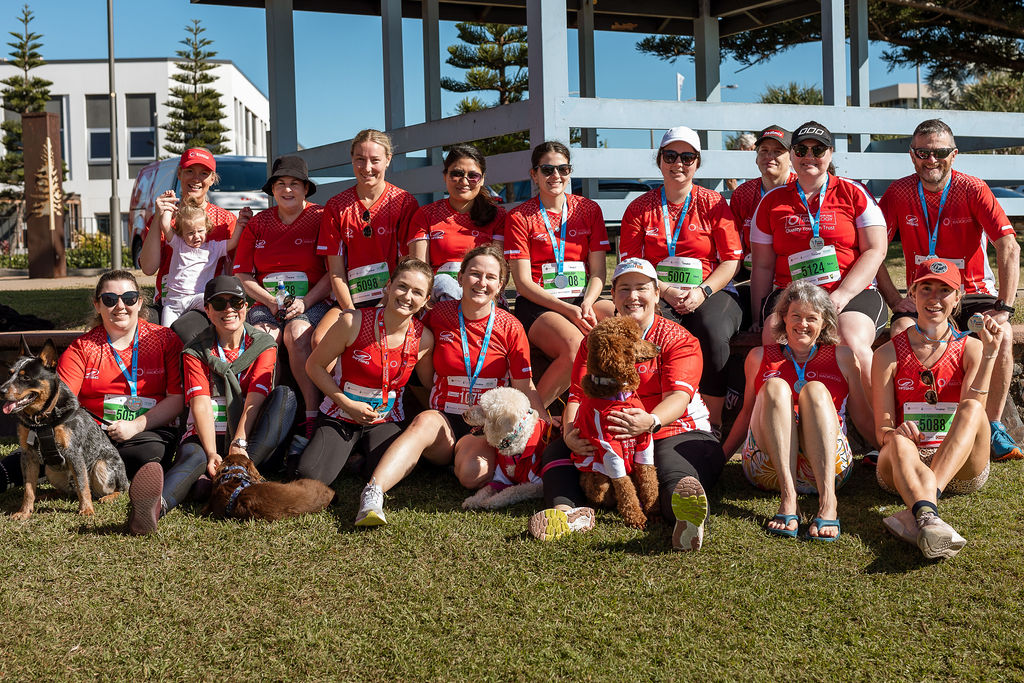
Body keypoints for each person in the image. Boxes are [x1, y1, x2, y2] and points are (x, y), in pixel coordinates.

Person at [529, 258, 723, 552]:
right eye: (624, 289)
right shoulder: (598, 340)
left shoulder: (677, 337)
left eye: (642, 288)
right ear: (614, 296)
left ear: (657, 294)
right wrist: (570, 431)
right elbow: (579, 395)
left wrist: (649, 421)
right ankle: (569, 514)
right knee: (560, 451)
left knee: (671, 470)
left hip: (673, 430)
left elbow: (679, 398)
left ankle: (685, 518)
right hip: (611, 432)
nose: (633, 296)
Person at [353, 244, 545, 527]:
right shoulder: (439, 315)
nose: (481, 282)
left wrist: (548, 434)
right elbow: (422, 369)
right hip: (442, 419)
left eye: (490, 277)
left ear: (501, 285)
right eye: (474, 274)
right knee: (424, 421)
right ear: (460, 277)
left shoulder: (510, 326)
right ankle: (372, 494)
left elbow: (524, 386)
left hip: (483, 427)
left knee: (471, 474)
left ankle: (455, 459)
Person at [876, 118, 1021, 461]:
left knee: (997, 334)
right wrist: (896, 299)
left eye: (939, 152)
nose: (931, 159)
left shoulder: (972, 188)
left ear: (953, 154)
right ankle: (896, 430)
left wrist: (1004, 306)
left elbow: (1009, 245)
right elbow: (873, 250)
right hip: (923, 294)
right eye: (922, 152)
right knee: (900, 330)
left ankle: (993, 426)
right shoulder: (898, 192)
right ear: (912, 155)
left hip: (971, 292)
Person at [722, 280, 871, 541]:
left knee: (814, 390)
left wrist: (887, 442)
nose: (803, 324)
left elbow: (860, 415)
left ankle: (828, 503)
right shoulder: (759, 357)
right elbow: (747, 414)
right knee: (775, 386)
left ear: (824, 323)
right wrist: (719, 460)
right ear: (783, 319)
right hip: (768, 469)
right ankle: (788, 498)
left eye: (811, 318)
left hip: (828, 468)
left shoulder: (843, 357)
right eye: (796, 316)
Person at [619, 126, 744, 436]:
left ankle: (711, 424)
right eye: (671, 156)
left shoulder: (714, 202)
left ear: (697, 163)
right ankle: (648, 410)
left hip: (711, 288)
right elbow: (631, 264)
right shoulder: (639, 208)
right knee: (648, 328)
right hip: (657, 291)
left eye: (687, 157)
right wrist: (664, 289)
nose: (679, 163)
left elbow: (731, 259)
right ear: (659, 160)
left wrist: (703, 291)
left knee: (713, 331)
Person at [749, 120, 888, 398]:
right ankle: (784, 417)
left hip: (849, 291)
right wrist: (757, 316)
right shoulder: (771, 202)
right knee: (774, 338)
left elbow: (876, 249)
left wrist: (843, 295)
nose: (809, 156)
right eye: (801, 150)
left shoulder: (853, 192)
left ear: (831, 154)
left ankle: (876, 426)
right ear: (792, 155)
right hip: (791, 293)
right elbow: (762, 266)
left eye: (818, 149)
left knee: (850, 339)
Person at [872, 259, 999, 559]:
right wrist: (895, 434)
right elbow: (882, 431)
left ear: (957, 299)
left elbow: (975, 413)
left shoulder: (972, 347)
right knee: (898, 440)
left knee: (970, 408)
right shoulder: (887, 353)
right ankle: (929, 513)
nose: (934, 298)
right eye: (926, 288)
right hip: (905, 466)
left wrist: (991, 355)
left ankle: (922, 508)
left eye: (944, 290)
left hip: (960, 465)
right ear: (912, 294)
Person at [52, 270, 185, 535]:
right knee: (41, 452)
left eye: (129, 297)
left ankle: (107, 478)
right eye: (110, 299)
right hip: (93, 435)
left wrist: (136, 425)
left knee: (150, 454)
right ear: (97, 305)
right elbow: (63, 402)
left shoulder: (164, 340)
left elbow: (177, 399)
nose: (120, 306)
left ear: (140, 302)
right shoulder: (83, 347)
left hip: (146, 433)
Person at [297, 258, 434, 487]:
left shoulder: (424, 339)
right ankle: (346, 452)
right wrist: (346, 404)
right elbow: (314, 366)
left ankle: (358, 459)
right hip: (341, 413)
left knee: (393, 475)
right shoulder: (353, 322)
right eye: (402, 286)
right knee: (310, 476)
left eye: (417, 292)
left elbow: (429, 384)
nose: (407, 296)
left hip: (387, 418)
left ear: (426, 300)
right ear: (389, 287)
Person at [505, 141, 613, 408]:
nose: (556, 176)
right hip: (540, 304)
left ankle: (618, 406)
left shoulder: (589, 210)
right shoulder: (519, 216)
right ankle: (531, 415)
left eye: (563, 169)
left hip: (582, 299)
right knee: (576, 346)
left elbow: (599, 272)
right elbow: (522, 283)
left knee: (626, 326)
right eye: (547, 169)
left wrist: (587, 302)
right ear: (534, 174)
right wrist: (567, 310)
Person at [233, 155, 331, 440]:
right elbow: (243, 275)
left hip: (310, 301)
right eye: (281, 184)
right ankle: (266, 416)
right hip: (267, 301)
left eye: (294, 184)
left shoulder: (321, 218)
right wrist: (270, 300)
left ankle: (311, 415)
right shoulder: (259, 223)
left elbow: (332, 272)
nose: (287, 190)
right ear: (272, 189)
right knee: (264, 337)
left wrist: (306, 301)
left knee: (298, 333)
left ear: (305, 188)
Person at [180, 275, 297, 498]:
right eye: (219, 303)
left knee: (286, 395)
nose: (229, 309)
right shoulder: (195, 350)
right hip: (212, 434)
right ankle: (158, 504)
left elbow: (256, 396)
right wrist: (212, 451)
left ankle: (237, 470)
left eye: (236, 302)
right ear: (207, 309)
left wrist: (239, 443)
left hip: (251, 442)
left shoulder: (264, 345)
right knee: (192, 464)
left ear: (246, 306)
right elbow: (201, 403)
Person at [315, 129, 419, 336]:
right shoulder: (336, 206)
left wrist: (383, 305)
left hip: (393, 299)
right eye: (360, 159)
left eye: (375, 160)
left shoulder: (404, 202)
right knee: (319, 341)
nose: (367, 168)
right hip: (350, 300)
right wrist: (351, 313)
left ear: (388, 160)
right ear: (352, 160)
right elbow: (336, 272)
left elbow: (408, 265)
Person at [138, 147, 237, 343]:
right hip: (168, 302)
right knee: (137, 328)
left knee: (182, 330)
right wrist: (158, 217)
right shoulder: (165, 216)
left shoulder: (225, 220)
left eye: (204, 173)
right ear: (180, 174)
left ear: (212, 179)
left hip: (203, 303)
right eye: (190, 171)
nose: (196, 178)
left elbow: (234, 272)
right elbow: (148, 268)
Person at [408, 144, 505, 299]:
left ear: (482, 179)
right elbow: (420, 271)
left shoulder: (497, 216)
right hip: (438, 298)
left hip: (483, 295)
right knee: (444, 282)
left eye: (473, 175)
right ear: (445, 176)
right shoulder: (425, 215)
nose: (464, 181)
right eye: (457, 174)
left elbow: (499, 272)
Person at [148, 195, 245, 327]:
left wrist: (239, 224)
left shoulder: (213, 248)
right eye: (190, 233)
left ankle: (220, 334)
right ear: (181, 233)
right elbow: (165, 224)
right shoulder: (178, 244)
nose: (196, 236)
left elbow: (233, 242)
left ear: (207, 229)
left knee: (215, 307)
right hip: (174, 301)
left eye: (200, 231)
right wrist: (168, 208)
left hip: (198, 296)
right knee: (167, 332)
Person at [729, 125, 796, 298]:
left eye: (778, 151)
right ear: (756, 158)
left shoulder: (802, 189)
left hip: (793, 278)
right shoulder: (743, 193)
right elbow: (733, 244)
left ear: (791, 158)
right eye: (764, 150)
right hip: (748, 276)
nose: (769, 156)